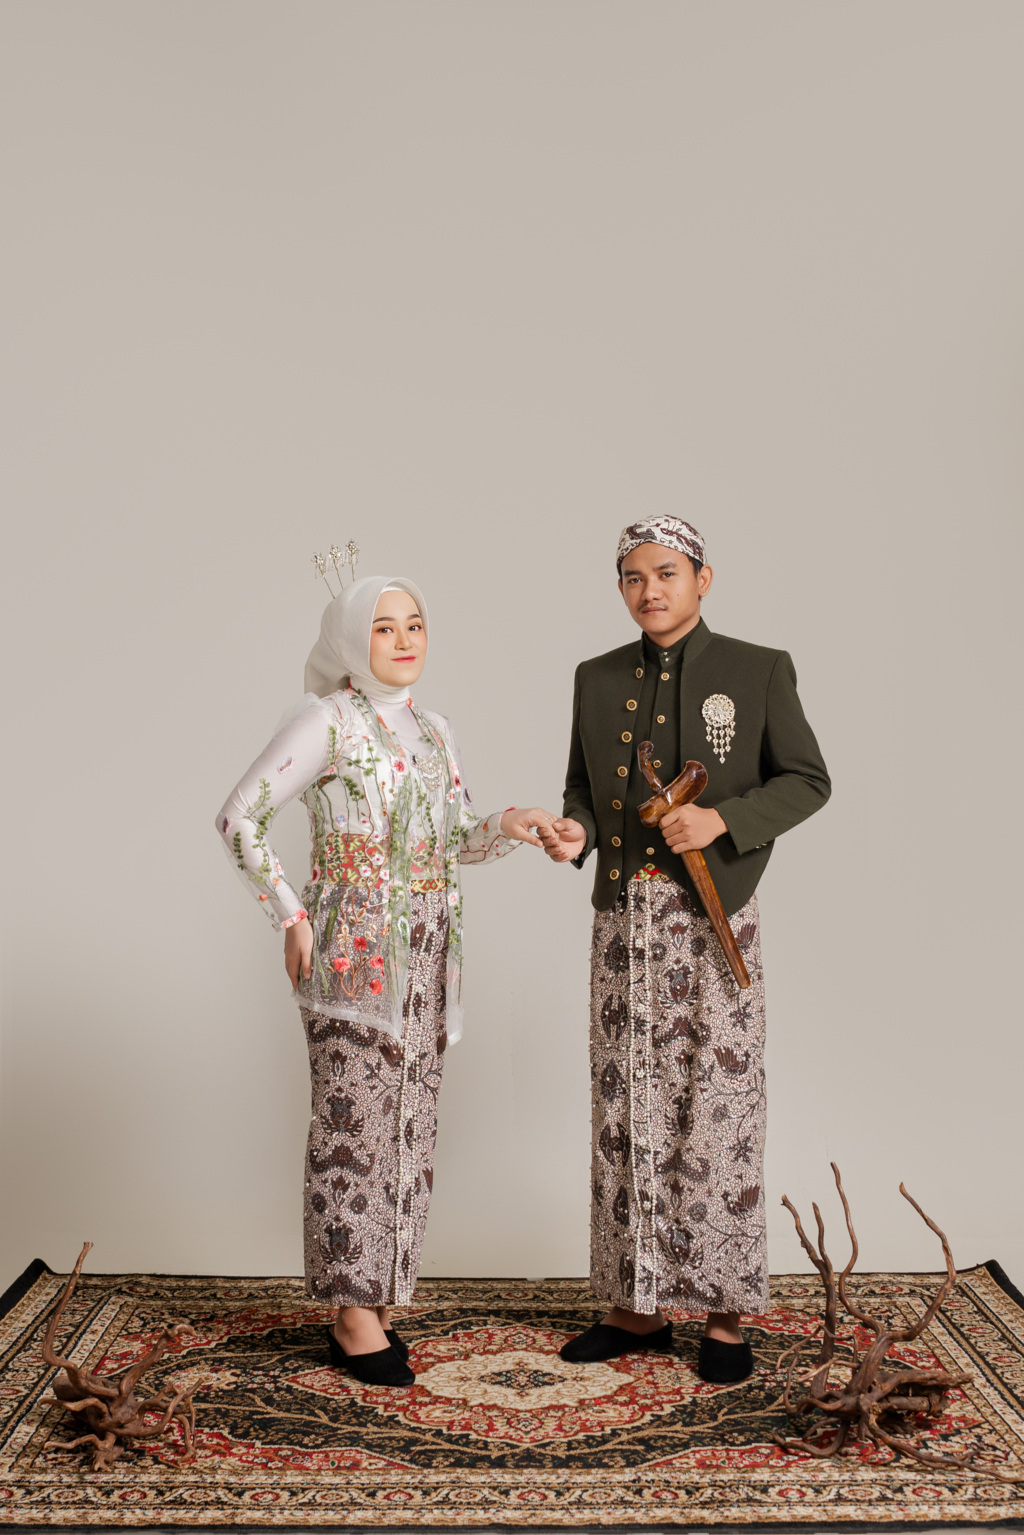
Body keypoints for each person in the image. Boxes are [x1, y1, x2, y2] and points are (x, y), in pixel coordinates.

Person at [216, 573, 552, 1388]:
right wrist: (290, 914)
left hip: (430, 954)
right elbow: (239, 815)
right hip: (355, 952)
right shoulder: (326, 720)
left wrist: (509, 825)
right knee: (352, 1124)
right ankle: (350, 1311)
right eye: (383, 627)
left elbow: (452, 838)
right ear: (349, 639)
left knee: (410, 1121)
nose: (404, 640)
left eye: (415, 624)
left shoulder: (435, 729)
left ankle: (382, 1293)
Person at [537, 517, 830, 1384]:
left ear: (704, 577)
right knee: (626, 1105)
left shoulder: (758, 668)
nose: (650, 590)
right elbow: (583, 788)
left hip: (714, 917)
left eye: (666, 572)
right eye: (633, 577)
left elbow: (807, 778)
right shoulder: (595, 677)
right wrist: (576, 832)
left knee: (719, 1104)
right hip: (623, 925)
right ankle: (637, 1306)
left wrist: (724, 819)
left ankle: (725, 1315)